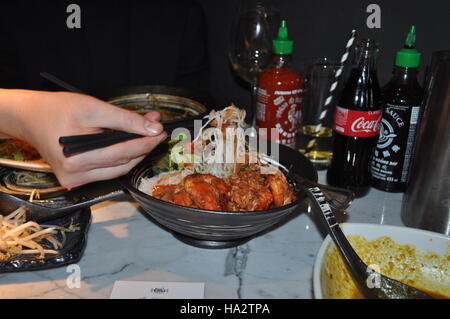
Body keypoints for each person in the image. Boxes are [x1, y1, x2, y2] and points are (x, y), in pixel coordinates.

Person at [0, 0, 210, 187]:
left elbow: (197, 115)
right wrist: (22, 114)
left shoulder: (180, 12)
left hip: (151, 190)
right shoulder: (15, 12)